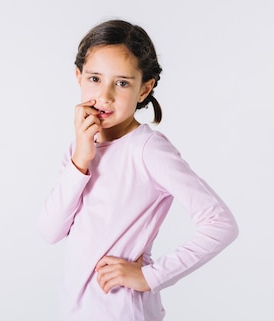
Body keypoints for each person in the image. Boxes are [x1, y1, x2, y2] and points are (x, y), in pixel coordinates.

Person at [37, 19, 238, 321]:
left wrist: (151, 277)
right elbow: (51, 231)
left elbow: (220, 224)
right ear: (78, 76)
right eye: (94, 78)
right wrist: (81, 156)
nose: (105, 95)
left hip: (123, 311)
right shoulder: (81, 148)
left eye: (122, 83)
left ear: (144, 89)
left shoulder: (147, 149)